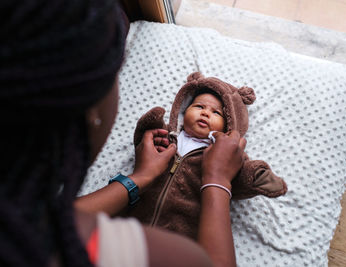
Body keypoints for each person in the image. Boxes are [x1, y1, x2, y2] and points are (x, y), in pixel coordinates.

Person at [0, 0, 244, 266]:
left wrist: (140, 177)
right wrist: (218, 179)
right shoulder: (108, 248)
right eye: (117, 75)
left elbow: (70, 215)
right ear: (90, 112)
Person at [127, 72, 288, 240]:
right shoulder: (168, 137)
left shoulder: (224, 156)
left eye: (216, 113)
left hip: (182, 235)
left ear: (228, 126)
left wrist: (255, 175)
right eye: (199, 107)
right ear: (184, 109)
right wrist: (149, 127)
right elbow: (143, 147)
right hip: (135, 222)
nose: (205, 113)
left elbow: (239, 177)